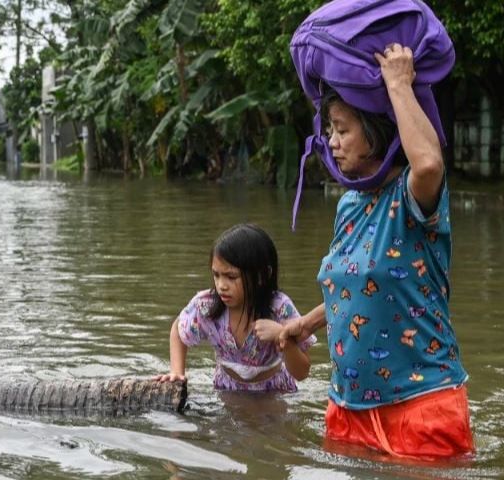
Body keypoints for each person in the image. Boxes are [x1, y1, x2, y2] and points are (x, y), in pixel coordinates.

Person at [273, 44, 473, 459]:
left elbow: (429, 164)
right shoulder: (349, 204)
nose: (332, 142)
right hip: (347, 408)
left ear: (375, 131)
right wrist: (305, 324)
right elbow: (357, 288)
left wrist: (399, 84)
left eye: (342, 130)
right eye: (330, 131)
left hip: (421, 406)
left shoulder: (413, 200)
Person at [156, 224, 316, 392]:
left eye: (231, 277)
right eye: (216, 275)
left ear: (262, 276)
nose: (221, 286)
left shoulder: (280, 308)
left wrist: (282, 337)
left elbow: (302, 373)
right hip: (226, 390)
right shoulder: (206, 306)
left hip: (275, 392)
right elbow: (179, 329)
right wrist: (177, 372)